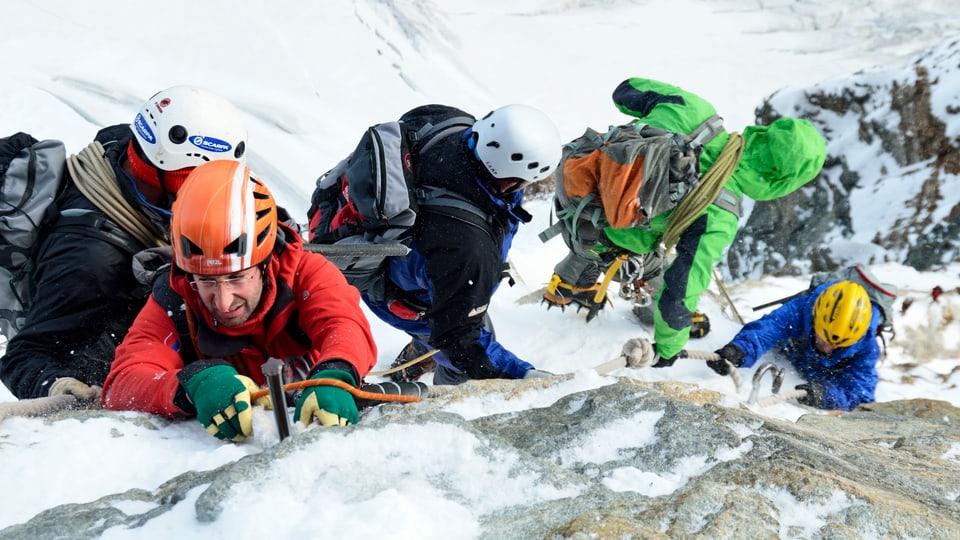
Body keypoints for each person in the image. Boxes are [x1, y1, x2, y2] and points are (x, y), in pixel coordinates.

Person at [542, 77, 827, 367]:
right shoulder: (720, 211)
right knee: (647, 266)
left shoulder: (695, 109)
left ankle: (566, 284)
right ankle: (575, 285)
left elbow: (625, 91)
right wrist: (667, 347)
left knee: (601, 233)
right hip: (604, 233)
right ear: (782, 183)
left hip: (575, 181)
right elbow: (683, 285)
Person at [0, 86, 248, 401]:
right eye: (195, 180)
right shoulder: (91, 260)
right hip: (100, 353)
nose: (208, 194)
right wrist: (59, 387)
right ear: (164, 170)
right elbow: (24, 355)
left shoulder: (125, 149)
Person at [102, 160, 377, 441]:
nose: (222, 302)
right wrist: (192, 384)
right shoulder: (176, 295)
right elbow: (123, 382)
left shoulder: (305, 274)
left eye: (237, 278)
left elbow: (343, 326)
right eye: (206, 280)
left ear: (265, 262)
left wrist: (337, 373)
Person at [347, 104, 561, 385]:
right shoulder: (469, 250)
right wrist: (521, 374)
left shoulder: (446, 121)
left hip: (394, 261)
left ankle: (418, 355)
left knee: (454, 321)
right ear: (513, 179)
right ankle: (445, 407)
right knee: (463, 360)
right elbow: (459, 338)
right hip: (403, 295)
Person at [707, 280, 881, 411]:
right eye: (823, 339)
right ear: (814, 320)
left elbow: (861, 395)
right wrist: (739, 350)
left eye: (837, 346)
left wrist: (827, 396)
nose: (826, 349)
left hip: (821, 386)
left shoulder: (867, 346)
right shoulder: (799, 310)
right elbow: (768, 329)